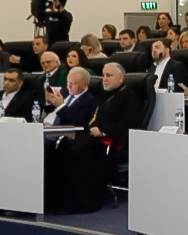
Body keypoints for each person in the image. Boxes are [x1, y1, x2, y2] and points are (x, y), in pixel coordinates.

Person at [46, 62, 141, 213]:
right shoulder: (102, 95)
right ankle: (55, 201)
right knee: (61, 148)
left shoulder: (129, 96)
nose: (104, 79)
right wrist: (76, 131)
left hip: (109, 140)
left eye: (109, 75)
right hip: (90, 136)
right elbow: (88, 119)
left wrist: (103, 131)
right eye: (103, 75)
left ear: (121, 78)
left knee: (77, 152)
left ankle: (80, 203)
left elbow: (128, 123)